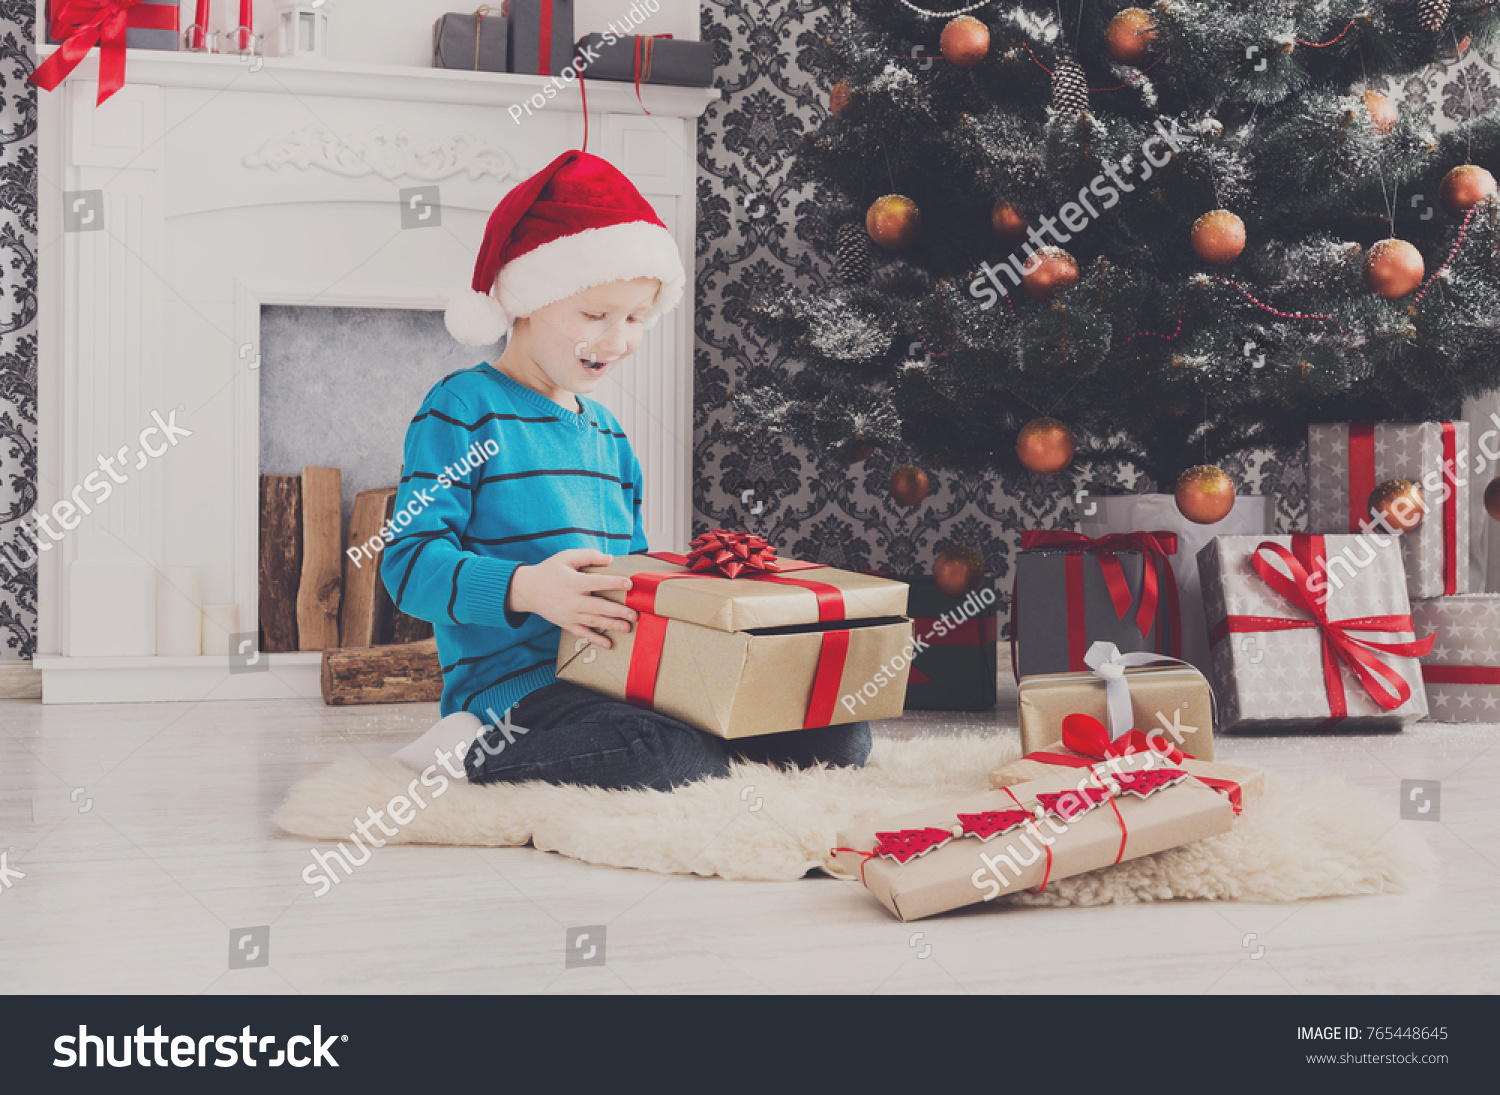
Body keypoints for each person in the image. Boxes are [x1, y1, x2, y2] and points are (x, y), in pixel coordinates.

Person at [382, 149, 871, 791]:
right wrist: (528, 589)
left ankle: (696, 755)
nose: (615, 341)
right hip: (518, 693)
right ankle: (469, 753)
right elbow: (407, 564)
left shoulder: (608, 436)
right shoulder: (462, 408)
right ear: (530, 300)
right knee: (662, 755)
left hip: (620, 675)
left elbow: (635, 580)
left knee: (840, 735)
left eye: (636, 318)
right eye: (594, 315)